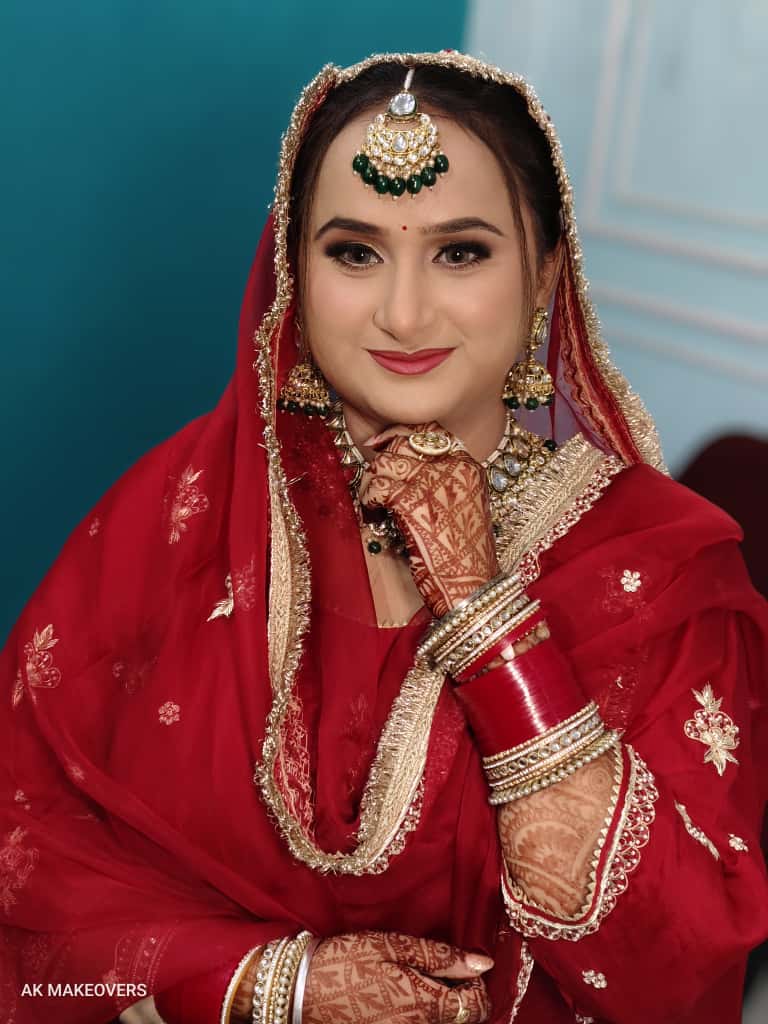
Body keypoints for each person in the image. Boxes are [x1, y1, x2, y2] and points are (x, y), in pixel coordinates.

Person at [2, 51, 767, 1024]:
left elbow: (670, 964)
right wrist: (273, 986)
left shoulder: (659, 569)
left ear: (544, 273)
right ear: (295, 270)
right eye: (355, 253)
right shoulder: (182, 511)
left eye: (461, 252)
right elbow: (28, 858)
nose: (403, 314)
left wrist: (484, 612)